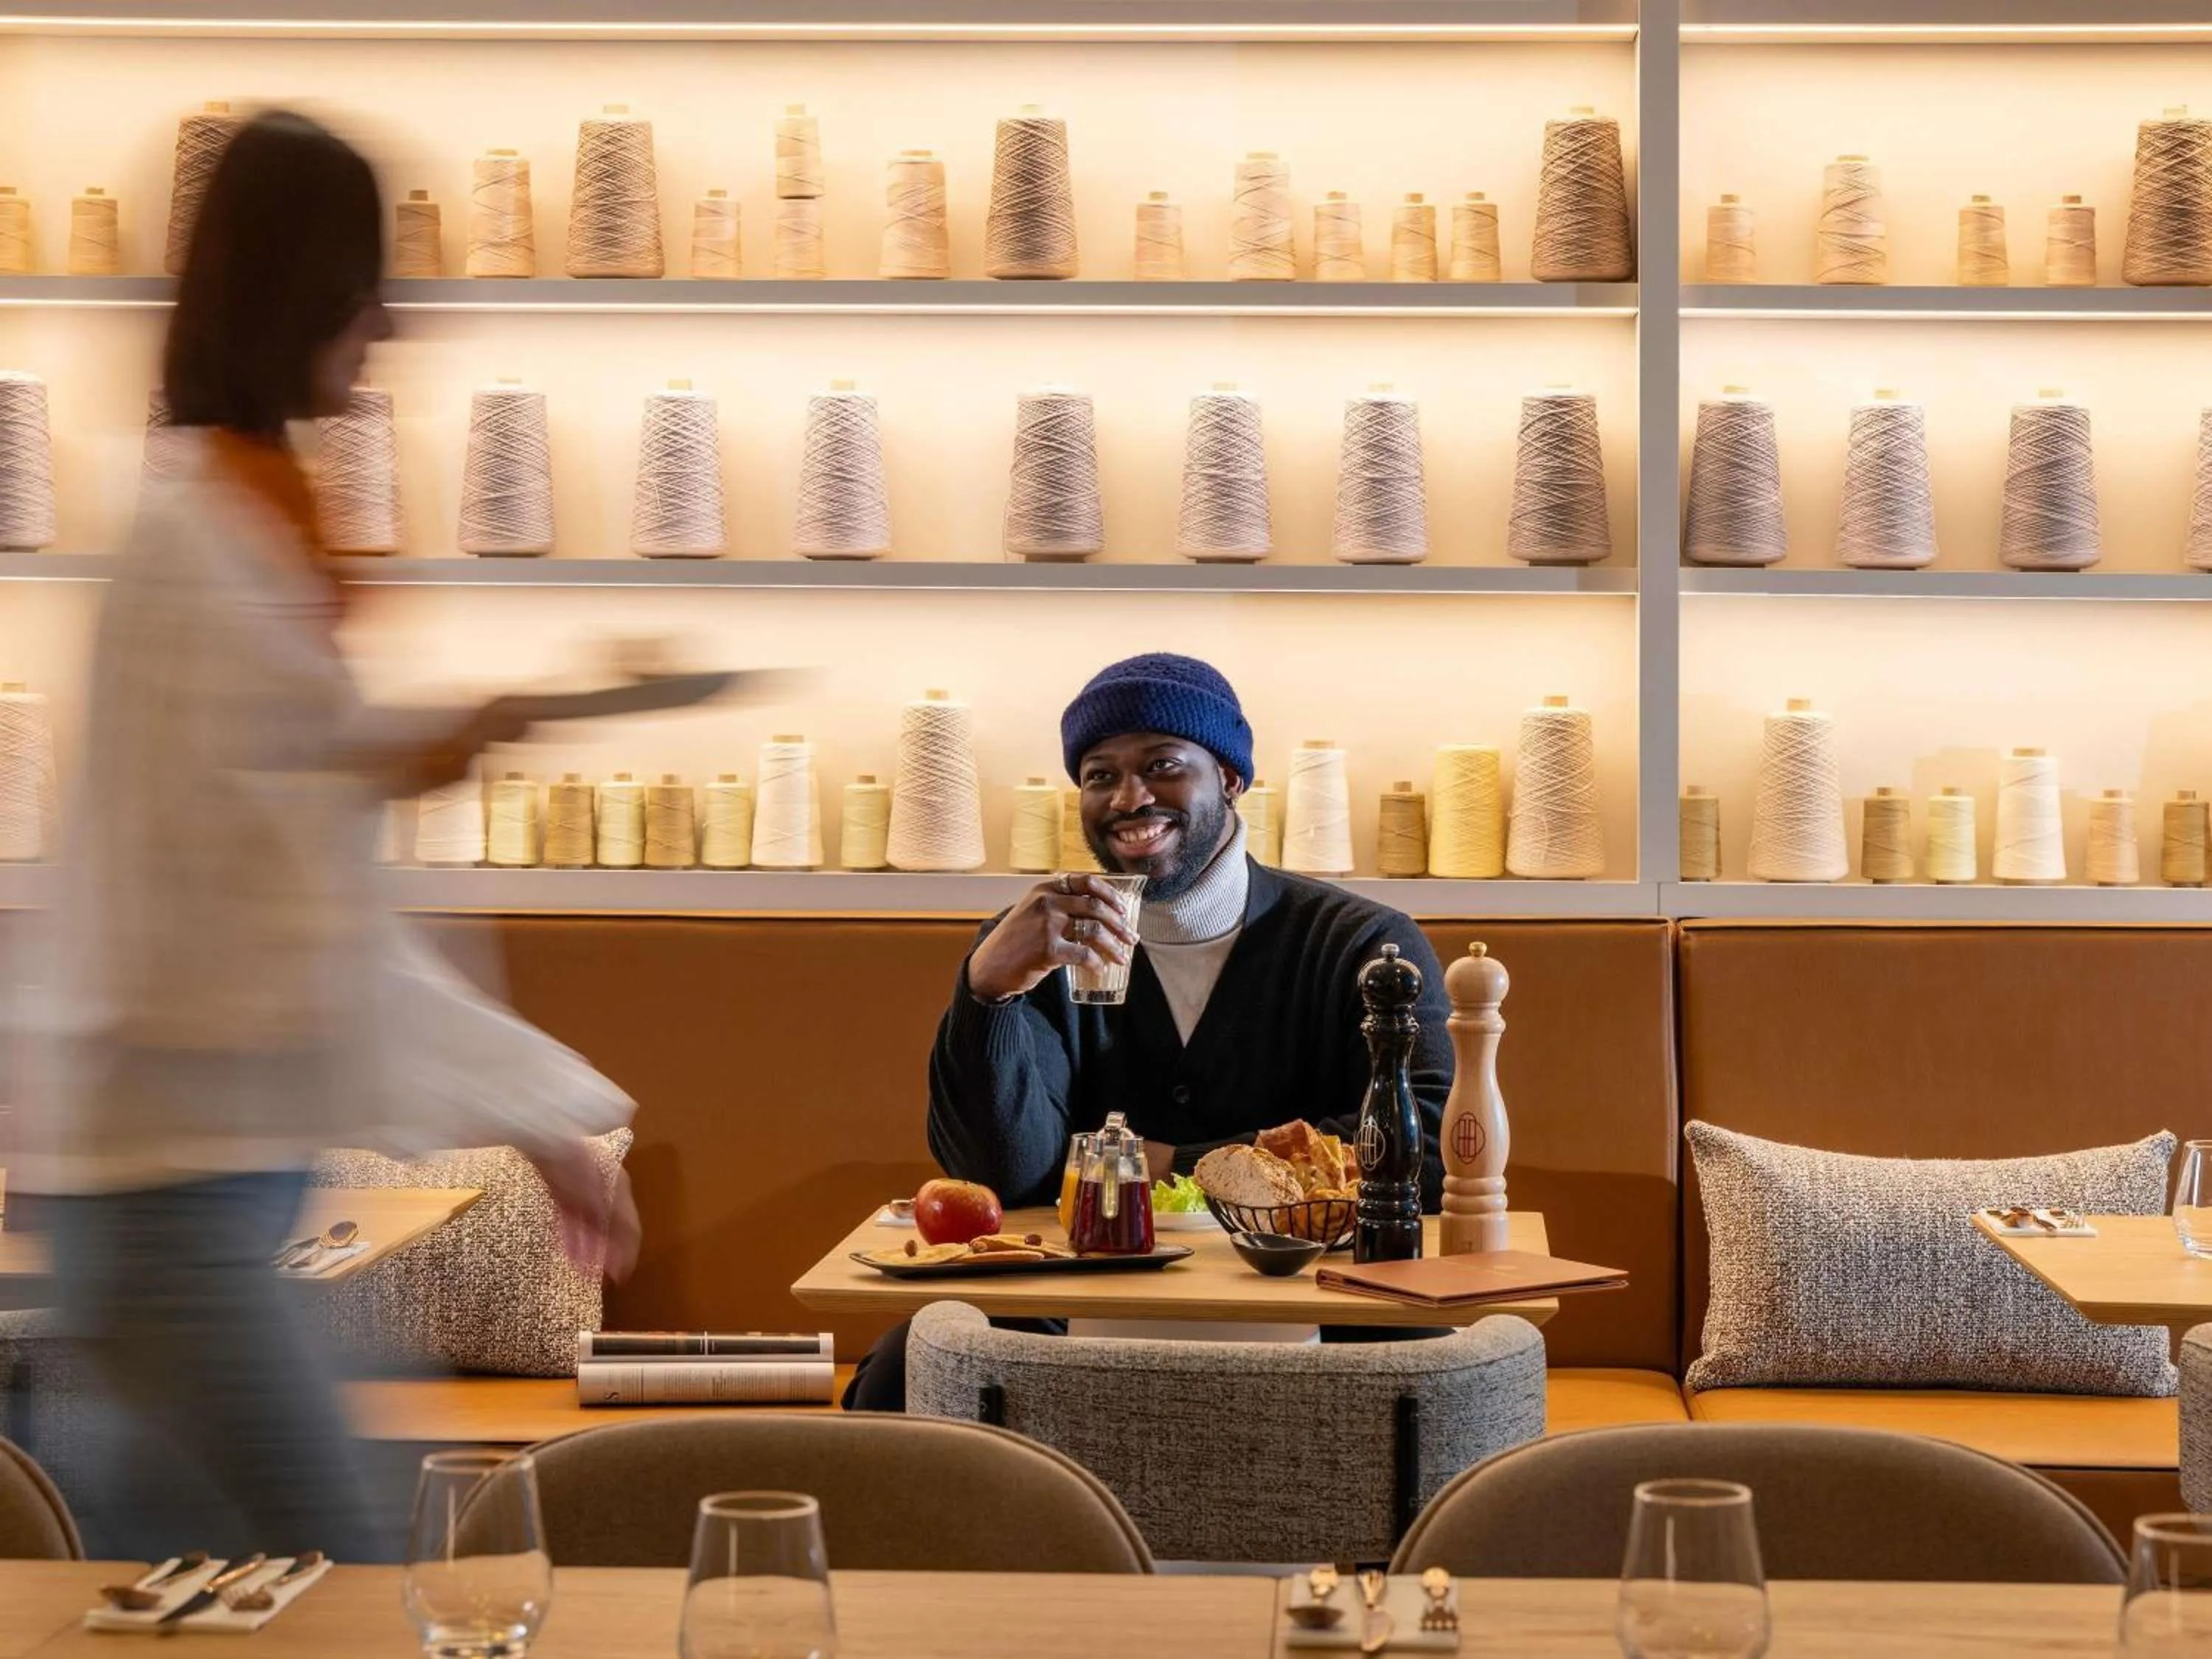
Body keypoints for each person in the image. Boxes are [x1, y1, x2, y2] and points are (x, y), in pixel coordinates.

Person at [9, 111, 639, 1561]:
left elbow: (292, 842)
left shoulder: (231, 528)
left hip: (204, 1199)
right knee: (345, 1574)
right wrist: (542, 1120)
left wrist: (401, 748)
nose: (395, 324)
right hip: (172, 1207)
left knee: (216, 1586)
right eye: (372, 283)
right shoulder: (204, 554)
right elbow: (289, 918)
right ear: (311, 293)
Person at [846, 653, 1449, 1411]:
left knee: (1441, 1376)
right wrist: (988, 992)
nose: (1130, 798)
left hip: (1320, 1306)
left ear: (1230, 778)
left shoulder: (1358, 944)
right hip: (1077, 1303)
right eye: (1100, 775)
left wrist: (1165, 1164)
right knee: (918, 1363)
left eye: (1163, 766)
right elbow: (1005, 1173)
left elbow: (1418, 1152)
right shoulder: (1035, 945)